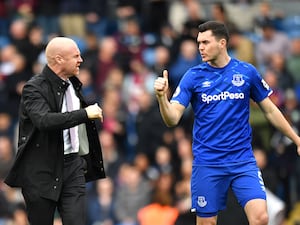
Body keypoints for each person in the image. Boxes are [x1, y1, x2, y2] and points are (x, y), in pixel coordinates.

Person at [153, 21, 300, 225]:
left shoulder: (246, 72)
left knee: (261, 218)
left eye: (205, 42)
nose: (200, 48)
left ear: (222, 43)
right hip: (208, 163)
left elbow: (270, 110)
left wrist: (297, 139)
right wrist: (162, 98)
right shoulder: (193, 77)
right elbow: (172, 119)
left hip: (242, 160)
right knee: (207, 223)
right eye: (198, 43)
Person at [4, 37, 106, 225]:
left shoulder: (74, 83)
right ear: (59, 59)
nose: (81, 60)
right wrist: (84, 113)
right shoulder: (33, 88)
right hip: (41, 170)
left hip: (73, 166)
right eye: (76, 56)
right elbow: (44, 120)